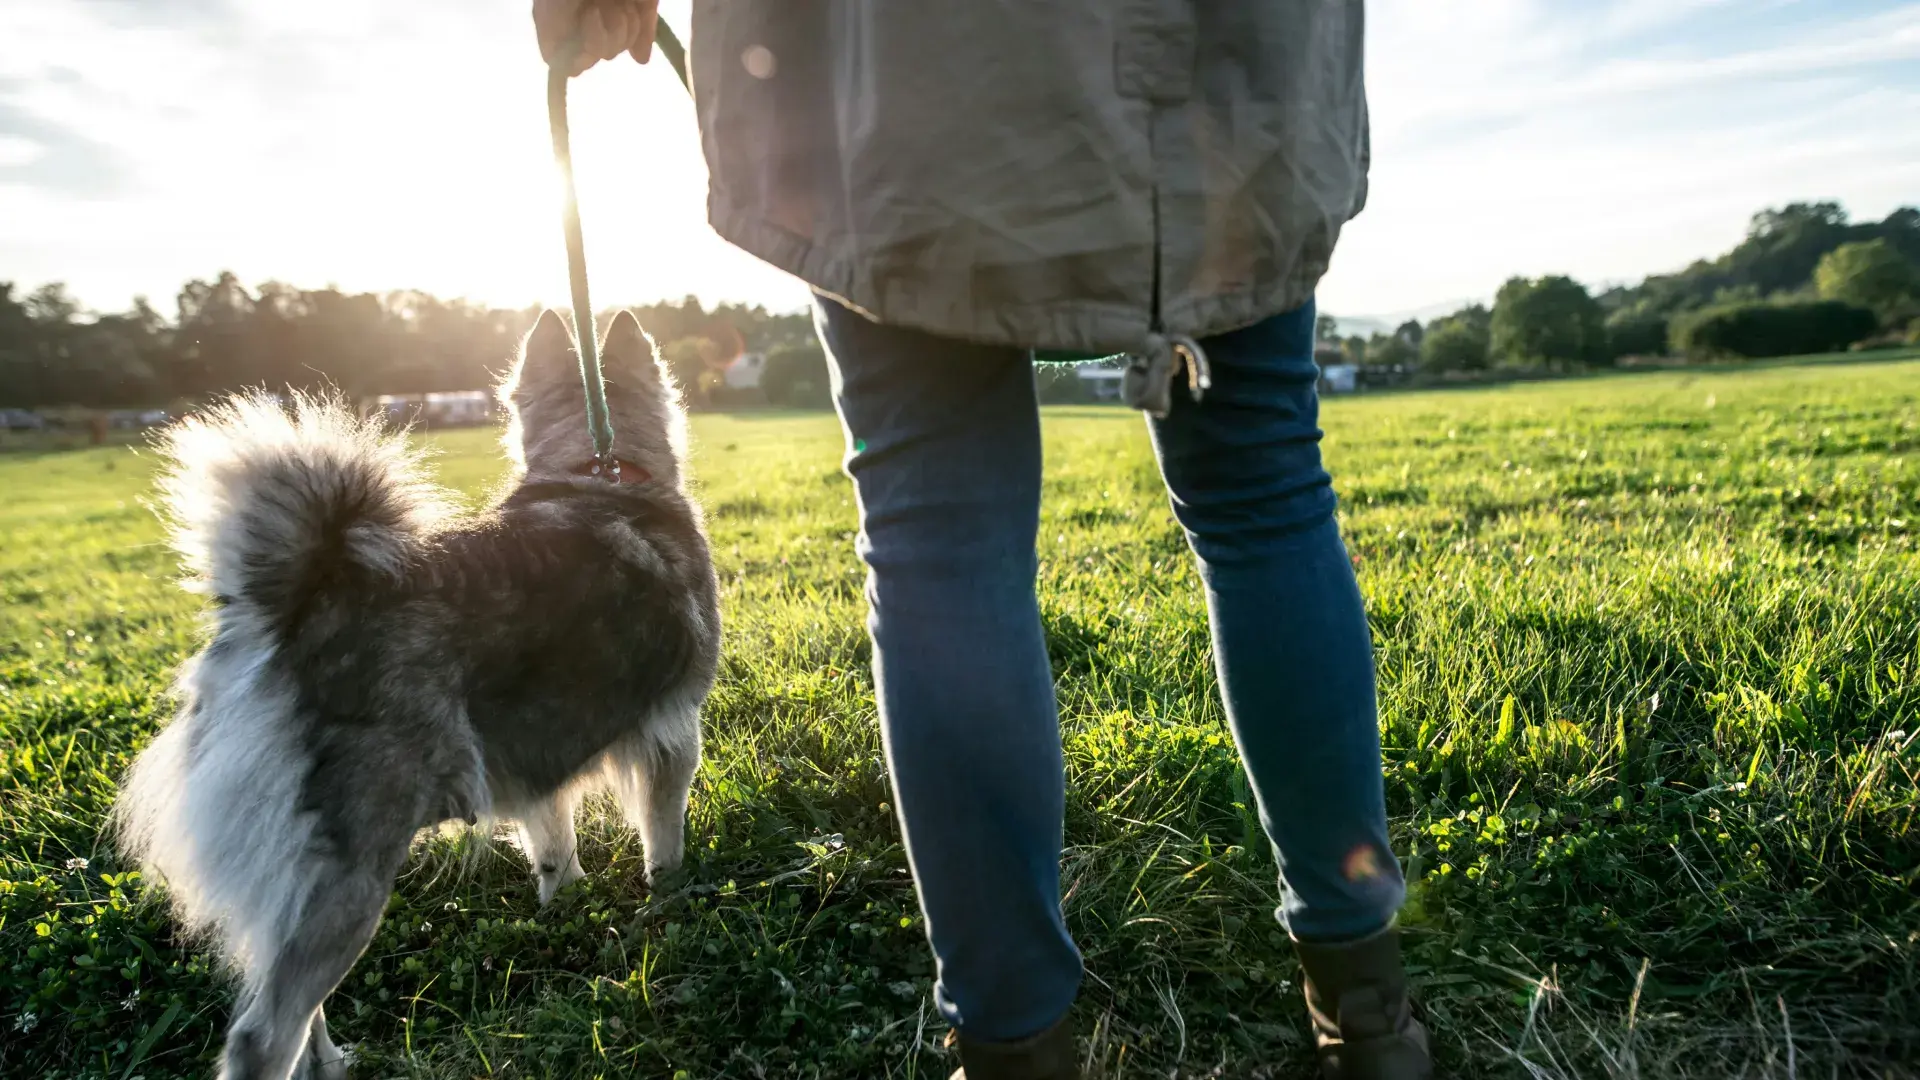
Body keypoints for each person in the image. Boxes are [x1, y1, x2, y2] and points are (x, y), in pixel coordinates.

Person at [532, 3, 1431, 1077]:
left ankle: (1013, 1049)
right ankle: (1368, 1011)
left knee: (939, 532)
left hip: (912, 58)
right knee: (1263, 488)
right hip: (1223, 54)